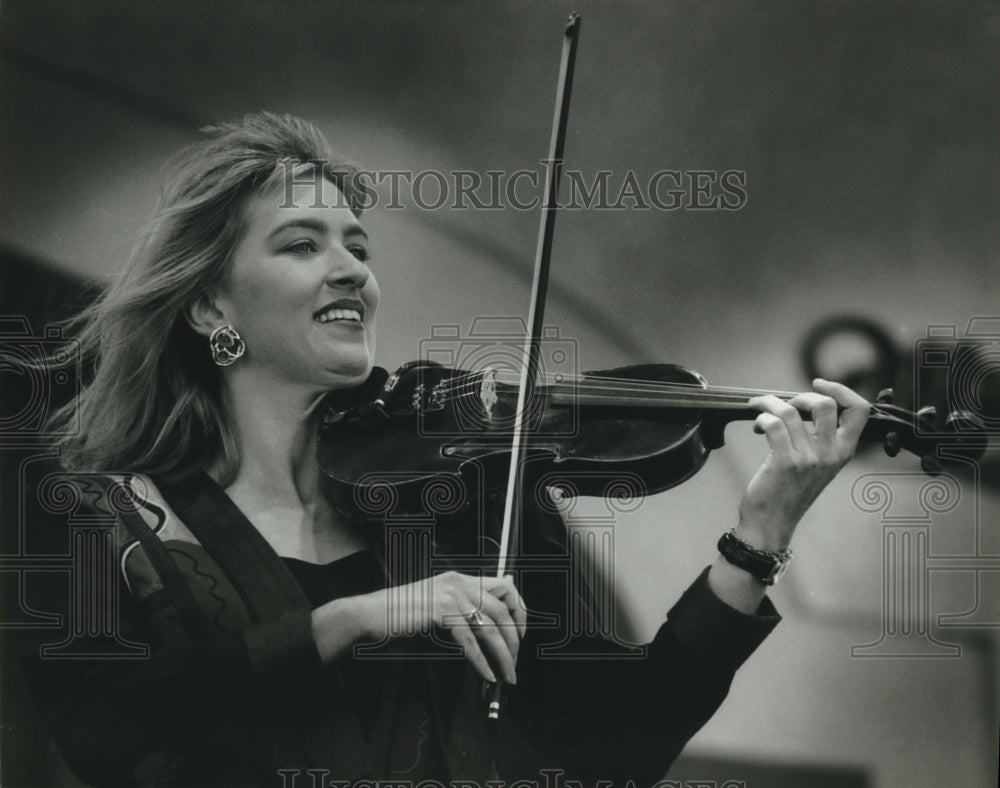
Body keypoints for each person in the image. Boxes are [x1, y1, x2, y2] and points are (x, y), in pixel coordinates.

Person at [20, 112, 870, 788]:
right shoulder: (113, 515)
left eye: (358, 244)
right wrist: (354, 619)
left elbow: (620, 739)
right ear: (211, 310)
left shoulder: (464, 496)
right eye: (302, 244)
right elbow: (118, 735)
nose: (351, 267)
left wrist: (759, 534)